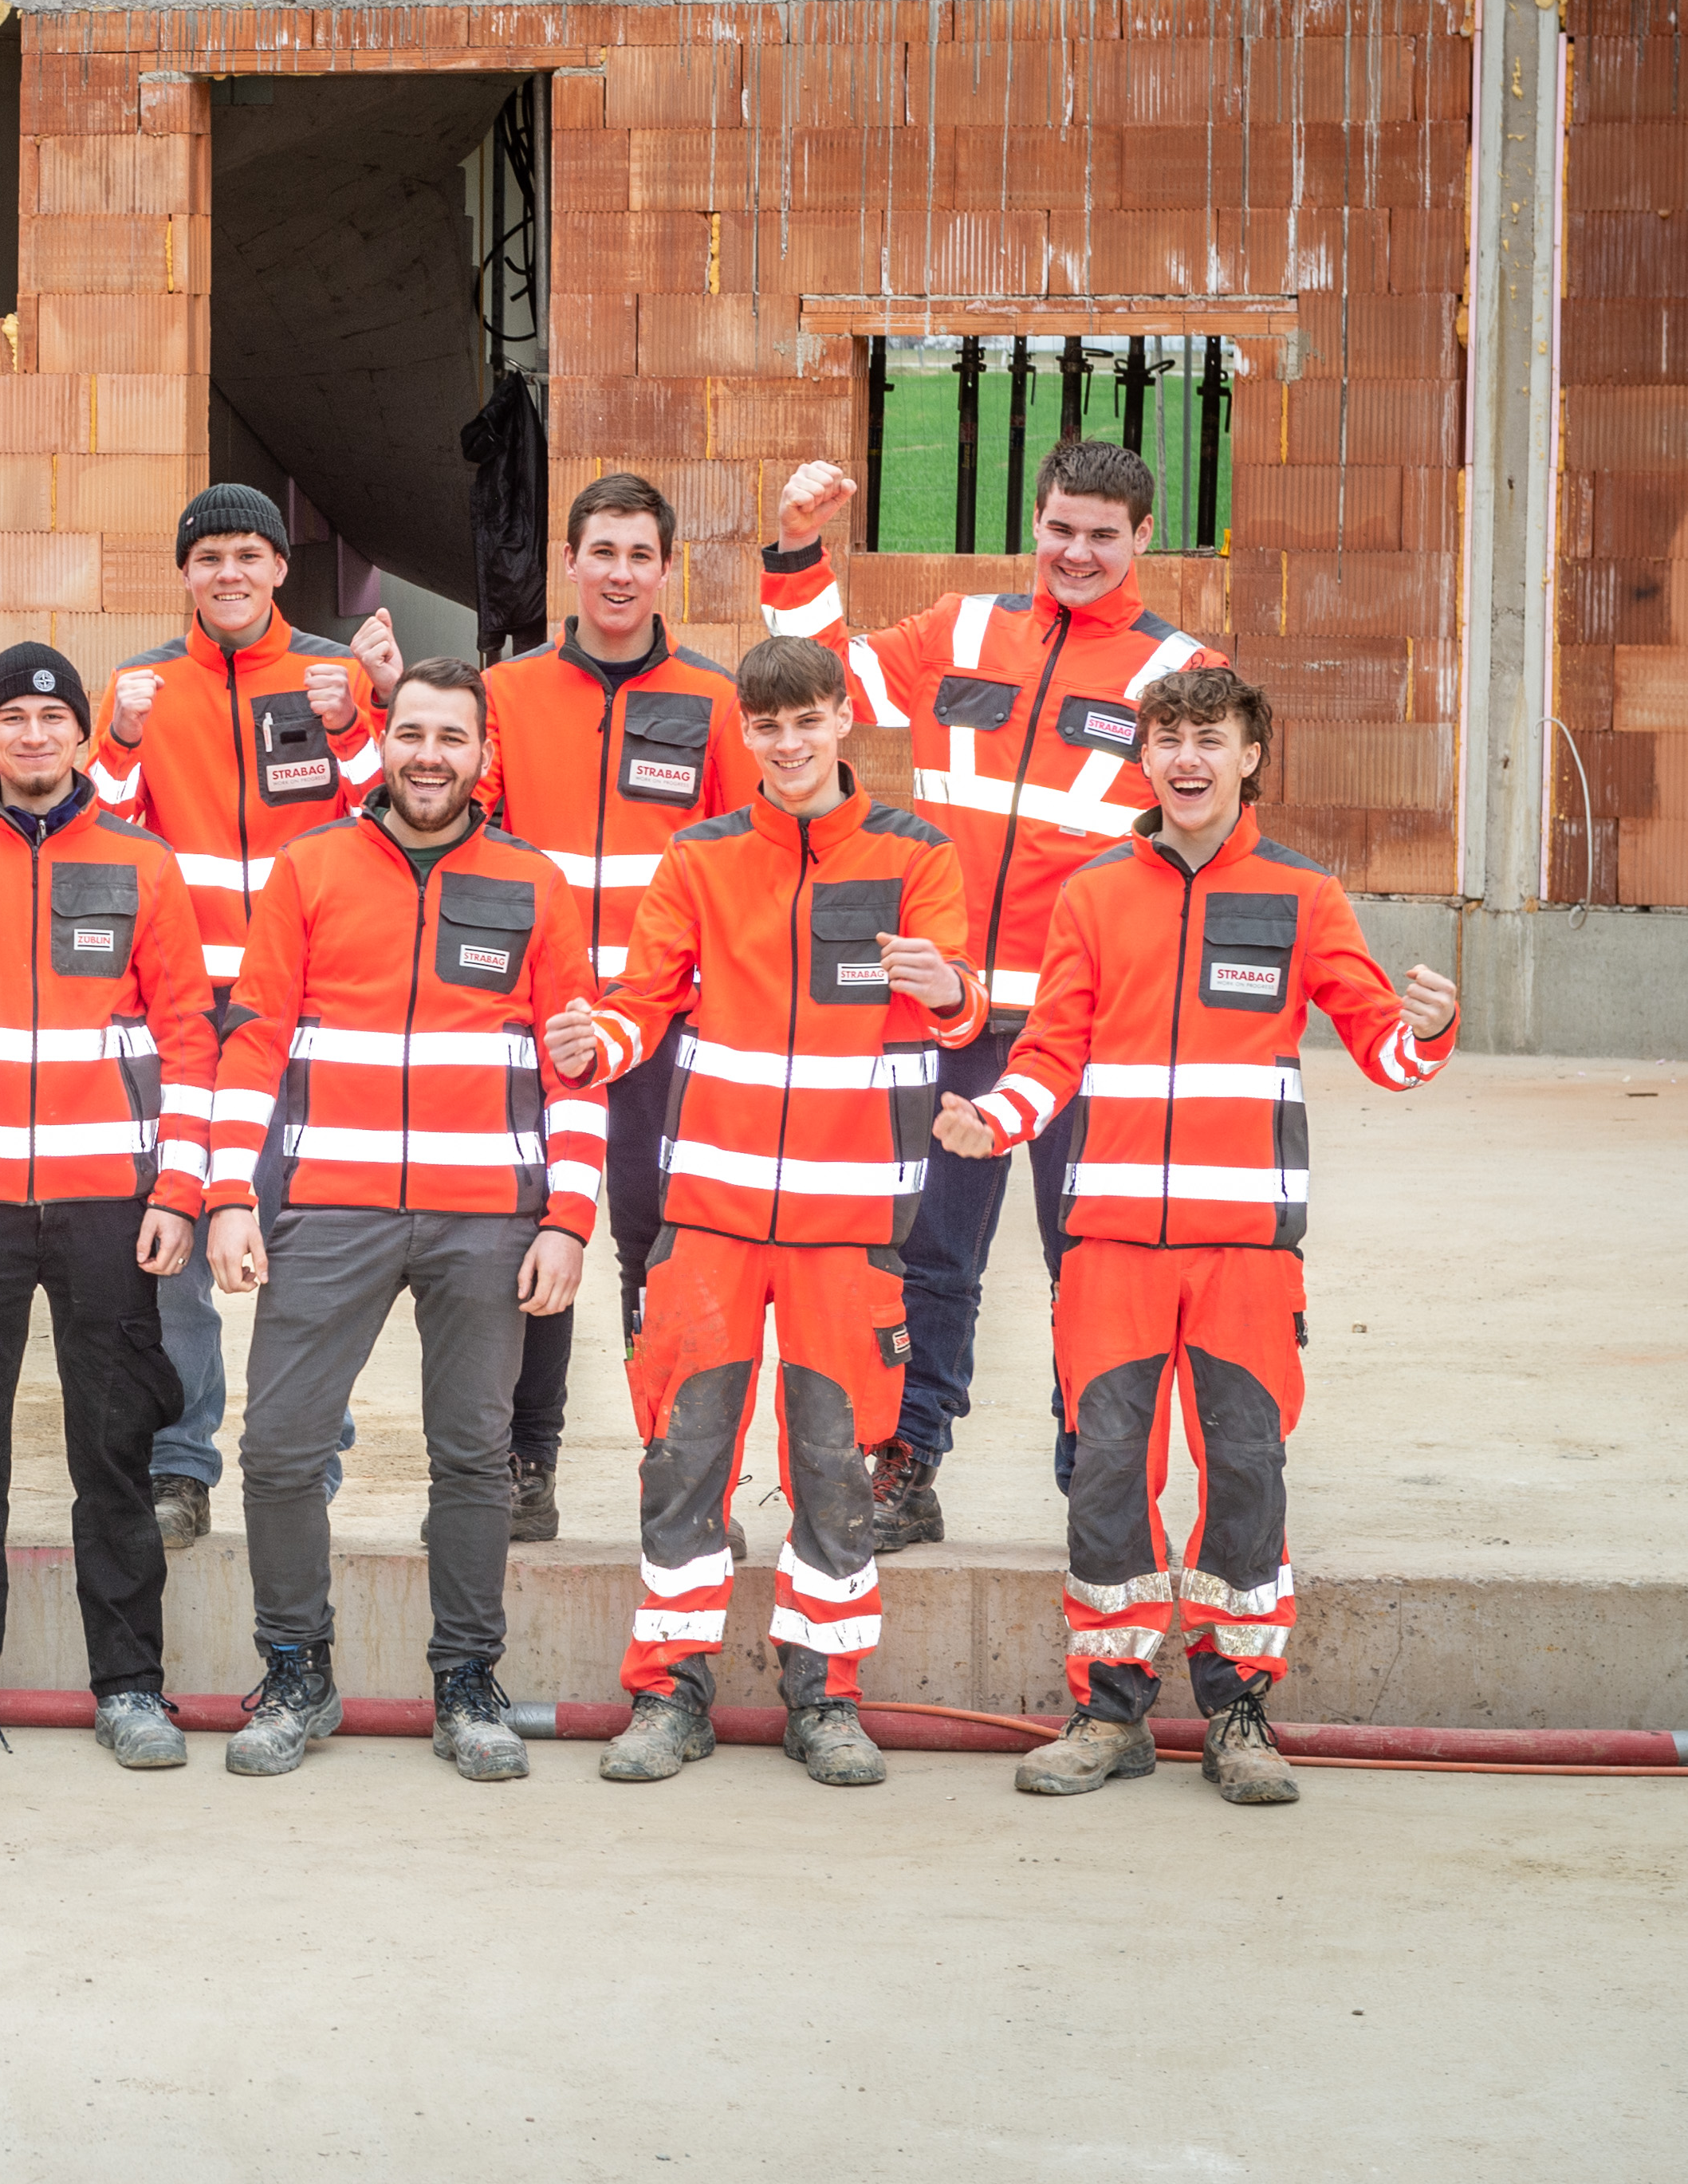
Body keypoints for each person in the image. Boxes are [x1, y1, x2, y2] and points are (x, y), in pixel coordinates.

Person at [931, 667, 1458, 1805]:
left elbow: (1383, 1050)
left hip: (1244, 1252)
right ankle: (1106, 1710)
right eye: (1165, 737)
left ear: (1247, 754)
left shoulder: (1303, 895)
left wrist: (1429, 1024)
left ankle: (1236, 1711)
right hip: (1109, 1248)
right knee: (1106, 1472)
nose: (1185, 757)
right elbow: (1048, 1057)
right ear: (1143, 757)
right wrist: (990, 1122)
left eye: (1206, 738)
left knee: (1245, 1473)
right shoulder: (1089, 895)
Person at [759, 439, 1220, 1545]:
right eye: (1060, 527)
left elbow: (1207, 839)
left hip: (1088, 1025)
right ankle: (903, 1464)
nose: (1076, 551)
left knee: (1091, 1260)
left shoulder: (1178, 672)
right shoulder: (955, 630)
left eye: (1102, 535)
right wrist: (795, 547)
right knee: (927, 1254)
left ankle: (1094, 1476)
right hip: (945, 1012)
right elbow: (817, 674)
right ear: (1035, 522)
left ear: (1141, 539)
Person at [544, 637, 982, 1789]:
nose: (786, 745)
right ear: (743, 732)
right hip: (712, 1218)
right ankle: (666, 1690)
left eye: (806, 721)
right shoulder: (697, 857)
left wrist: (946, 991)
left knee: (834, 1465)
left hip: (849, 1227)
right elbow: (646, 999)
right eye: (765, 725)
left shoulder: (914, 854)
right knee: (683, 1457)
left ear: (843, 719)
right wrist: (605, 1038)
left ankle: (824, 1694)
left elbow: (953, 1000)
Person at [207, 658, 603, 1781]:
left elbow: (574, 1069)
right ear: (387, 741)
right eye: (412, 731)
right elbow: (253, 1043)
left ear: (484, 755)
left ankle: (466, 1680)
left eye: (452, 736)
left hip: (485, 1215)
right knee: (279, 1448)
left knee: (473, 1455)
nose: (429, 753)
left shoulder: (532, 881)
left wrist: (566, 1218)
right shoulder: (309, 867)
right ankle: (294, 1670)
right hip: (326, 1208)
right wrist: (229, 1192)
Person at [0, 642, 219, 1773]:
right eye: (8, 716)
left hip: (109, 1204)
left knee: (112, 1450)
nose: (29, 734)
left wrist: (181, 1187)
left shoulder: (141, 863)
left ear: (80, 735)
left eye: (49, 717)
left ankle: (129, 1686)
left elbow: (189, 1037)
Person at [90, 482, 397, 1546]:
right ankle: (179, 1461)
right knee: (174, 1236)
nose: (227, 572)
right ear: (185, 572)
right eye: (207, 555)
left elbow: (385, 819)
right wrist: (121, 742)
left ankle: (304, 1443)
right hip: (178, 1018)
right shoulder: (140, 685)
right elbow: (104, 837)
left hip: (301, 1017)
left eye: (246, 554)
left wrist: (353, 719)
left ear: (276, 567)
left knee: (299, 1246)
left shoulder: (331, 674)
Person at [476, 473, 756, 1543]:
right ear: (569, 562)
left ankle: (676, 1477)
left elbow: (743, 861)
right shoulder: (506, 694)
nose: (619, 572)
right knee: (530, 1243)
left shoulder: (712, 696)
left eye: (640, 553)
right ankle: (521, 1462)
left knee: (665, 1253)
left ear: (664, 567)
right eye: (601, 551)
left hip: (664, 1029)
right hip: (535, 1025)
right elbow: (474, 845)